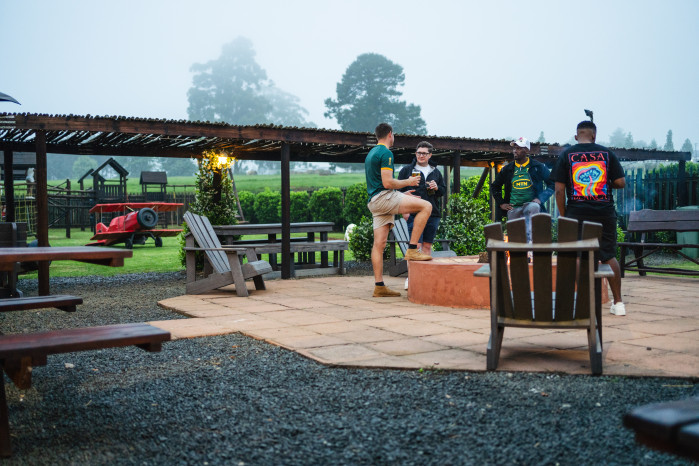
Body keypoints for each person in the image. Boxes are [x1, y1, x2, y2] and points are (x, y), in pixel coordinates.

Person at [551, 120, 627, 316]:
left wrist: (564, 216)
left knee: (578, 255)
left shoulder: (567, 155)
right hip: (604, 212)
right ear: (594, 136)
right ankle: (619, 303)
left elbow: (559, 190)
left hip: (577, 213)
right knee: (608, 255)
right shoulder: (607, 153)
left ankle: (583, 300)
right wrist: (604, 183)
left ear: (576, 136)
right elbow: (621, 182)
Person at [365, 123, 433, 298]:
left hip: (374, 201)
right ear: (390, 134)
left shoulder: (371, 153)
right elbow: (387, 183)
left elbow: (380, 184)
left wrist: (400, 194)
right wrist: (408, 182)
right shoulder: (385, 153)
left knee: (379, 244)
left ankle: (379, 286)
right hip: (384, 198)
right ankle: (412, 249)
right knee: (426, 206)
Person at [397, 141, 446, 289]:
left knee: (427, 246)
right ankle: (411, 279)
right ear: (415, 153)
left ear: (430, 155)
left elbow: (442, 192)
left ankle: (425, 279)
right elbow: (398, 192)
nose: (421, 155)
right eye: (419, 153)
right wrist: (405, 212)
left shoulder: (436, 172)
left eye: (424, 153)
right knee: (415, 246)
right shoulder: (406, 170)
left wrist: (437, 188)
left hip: (433, 214)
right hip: (414, 213)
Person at [491, 137, 554, 243]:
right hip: (513, 207)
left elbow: (552, 183)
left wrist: (540, 198)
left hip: (530, 205)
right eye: (514, 148)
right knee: (515, 238)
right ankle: (517, 252)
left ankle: (530, 247)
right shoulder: (508, 169)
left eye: (519, 148)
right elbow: (495, 186)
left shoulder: (537, 167)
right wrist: (501, 203)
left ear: (527, 150)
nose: (515, 151)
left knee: (534, 207)